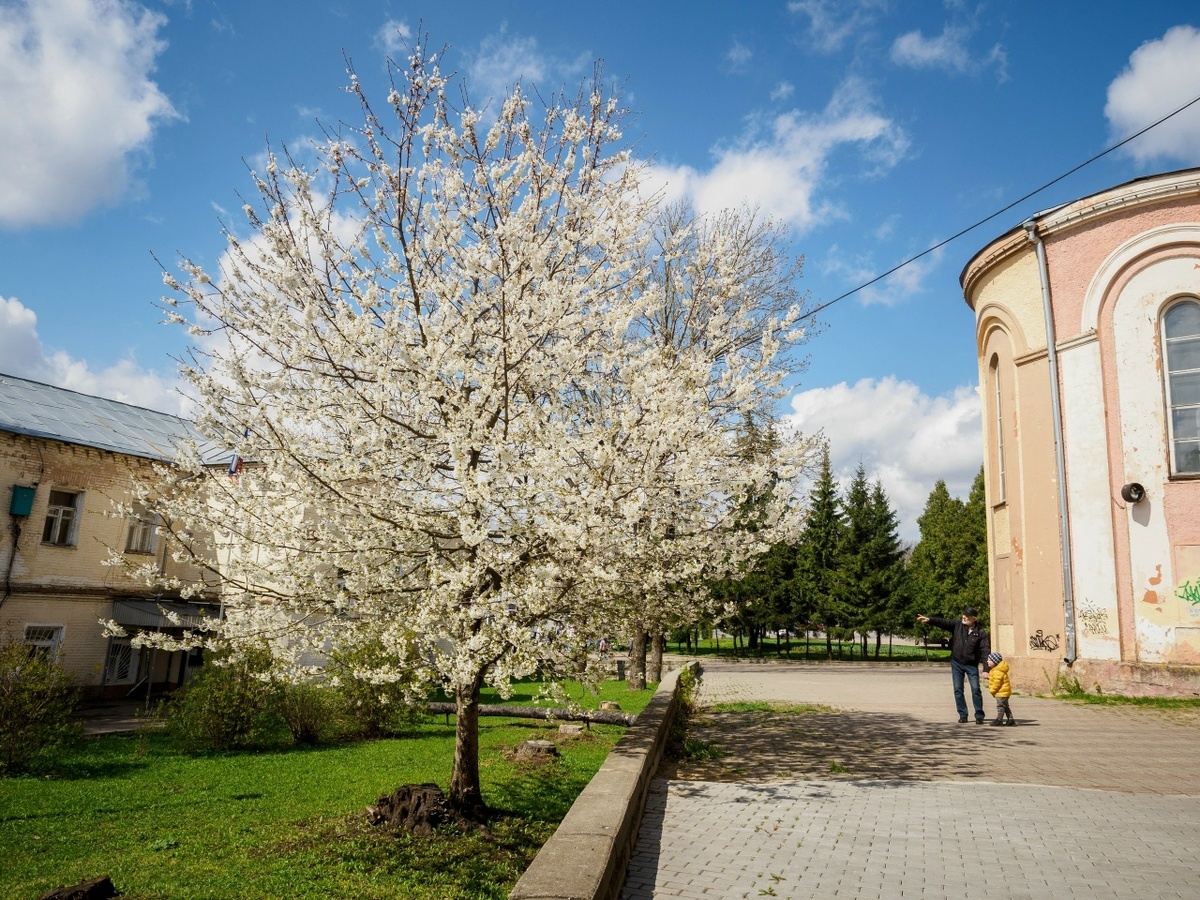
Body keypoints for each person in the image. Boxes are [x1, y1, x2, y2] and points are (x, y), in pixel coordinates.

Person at [916, 607, 991, 723]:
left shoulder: (980, 632)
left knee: (975, 689)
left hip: (971, 665)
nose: (964, 617)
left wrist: (986, 669)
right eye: (963, 615)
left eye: (966, 616)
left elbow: (985, 650)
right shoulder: (957, 625)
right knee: (958, 689)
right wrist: (930, 619)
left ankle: (979, 716)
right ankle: (963, 715)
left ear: (974, 618)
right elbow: (944, 622)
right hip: (956, 663)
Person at [986, 651, 1015, 726]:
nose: (987, 661)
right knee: (1005, 706)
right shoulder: (997, 670)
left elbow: (997, 683)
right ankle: (1010, 719)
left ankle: (999, 720)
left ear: (995, 661)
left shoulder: (997, 671)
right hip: (1004, 692)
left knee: (1000, 706)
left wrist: (992, 690)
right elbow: (995, 678)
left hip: (1001, 692)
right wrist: (989, 677)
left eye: (989, 660)